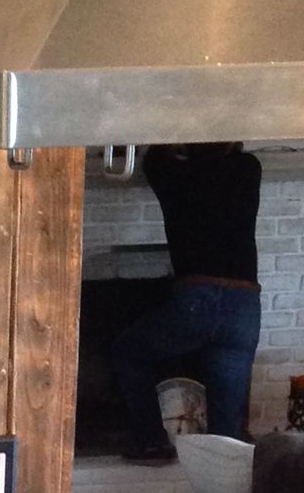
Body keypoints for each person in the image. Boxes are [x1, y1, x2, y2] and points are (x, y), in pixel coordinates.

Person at [111, 143, 264, 464]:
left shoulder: (170, 173)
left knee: (128, 352)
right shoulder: (249, 169)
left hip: (197, 299)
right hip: (244, 305)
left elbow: (155, 155)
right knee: (226, 435)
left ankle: (152, 444)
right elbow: (235, 152)